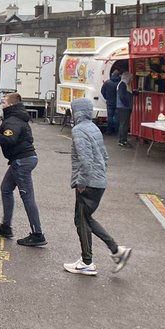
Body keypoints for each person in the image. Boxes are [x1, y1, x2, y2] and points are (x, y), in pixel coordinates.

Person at [64, 98, 132, 276]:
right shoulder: (94, 128)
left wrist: (81, 182)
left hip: (88, 184)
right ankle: (116, 250)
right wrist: (99, 175)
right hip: (99, 182)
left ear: (76, 111)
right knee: (86, 219)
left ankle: (88, 262)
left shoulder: (78, 130)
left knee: (81, 221)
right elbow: (105, 156)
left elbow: (85, 161)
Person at [0, 91, 46, 247]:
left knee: (27, 197)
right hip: (20, 160)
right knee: (6, 189)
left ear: (11, 105)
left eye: (5, 102)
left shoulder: (13, 120)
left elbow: (10, 139)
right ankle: (6, 226)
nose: (2, 104)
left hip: (22, 160)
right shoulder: (15, 118)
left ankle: (37, 234)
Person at [116, 73, 136, 147]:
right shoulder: (122, 85)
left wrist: (134, 93)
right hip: (124, 107)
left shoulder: (123, 84)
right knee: (124, 124)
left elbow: (127, 93)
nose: (131, 79)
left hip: (124, 107)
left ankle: (123, 140)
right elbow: (122, 96)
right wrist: (126, 103)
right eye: (131, 78)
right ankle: (122, 140)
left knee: (124, 124)